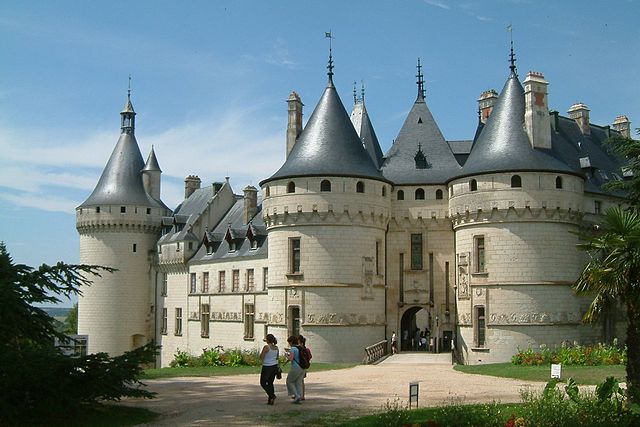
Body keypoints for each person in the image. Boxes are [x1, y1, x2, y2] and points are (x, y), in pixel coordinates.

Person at [259, 334, 279, 405]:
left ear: (268, 340)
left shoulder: (266, 347)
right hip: (274, 366)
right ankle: (270, 400)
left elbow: (261, 357)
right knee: (270, 382)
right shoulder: (276, 348)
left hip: (267, 366)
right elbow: (277, 358)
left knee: (263, 383)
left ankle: (272, 395)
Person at [285, 335, 305, 404]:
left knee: (289, 381)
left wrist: (286, 355)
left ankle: (296, 396)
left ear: (291, 342)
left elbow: (290, 358)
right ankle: (299, 395)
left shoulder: (293, 349)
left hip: (295, 367)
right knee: (298, 382)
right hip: (303, 367)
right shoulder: (300, 348)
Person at [298, 334, 311, 400]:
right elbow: (310, 357)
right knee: (301, 381)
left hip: (299, 366)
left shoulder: (298, 348)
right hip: (304, 367)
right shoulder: (306, 349)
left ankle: (297, 395)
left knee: (296, 381)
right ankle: (302, 395)